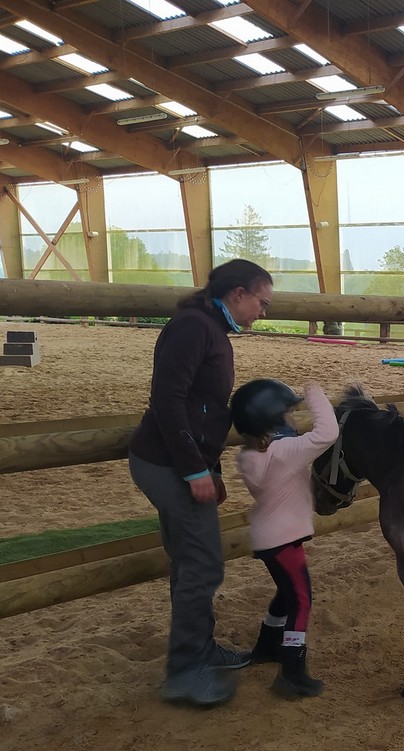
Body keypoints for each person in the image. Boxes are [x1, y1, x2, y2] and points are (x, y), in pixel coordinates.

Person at [128, 259, 273, 708]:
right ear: (237, 294)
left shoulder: (210, 328)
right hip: (166, 464)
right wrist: (194, 469)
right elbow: (167, 399)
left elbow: (200, 408)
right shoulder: (194, 327)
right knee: (204, 563)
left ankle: (199, 650)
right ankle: (187, 671)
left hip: (179, 462)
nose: (262, 312)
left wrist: (208, 468)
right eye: (261, 302)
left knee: (190, 562)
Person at [232, 379, 338, 699]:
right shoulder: (285, 453)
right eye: (289, 414)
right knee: (302, 600)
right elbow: (327, 433)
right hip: (284, 540)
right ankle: (292, 670)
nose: (294, 418)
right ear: (274, 421)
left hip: (267, 539)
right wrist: (314, 394)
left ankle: (267, 645)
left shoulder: (248, 456)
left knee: (286, 592)